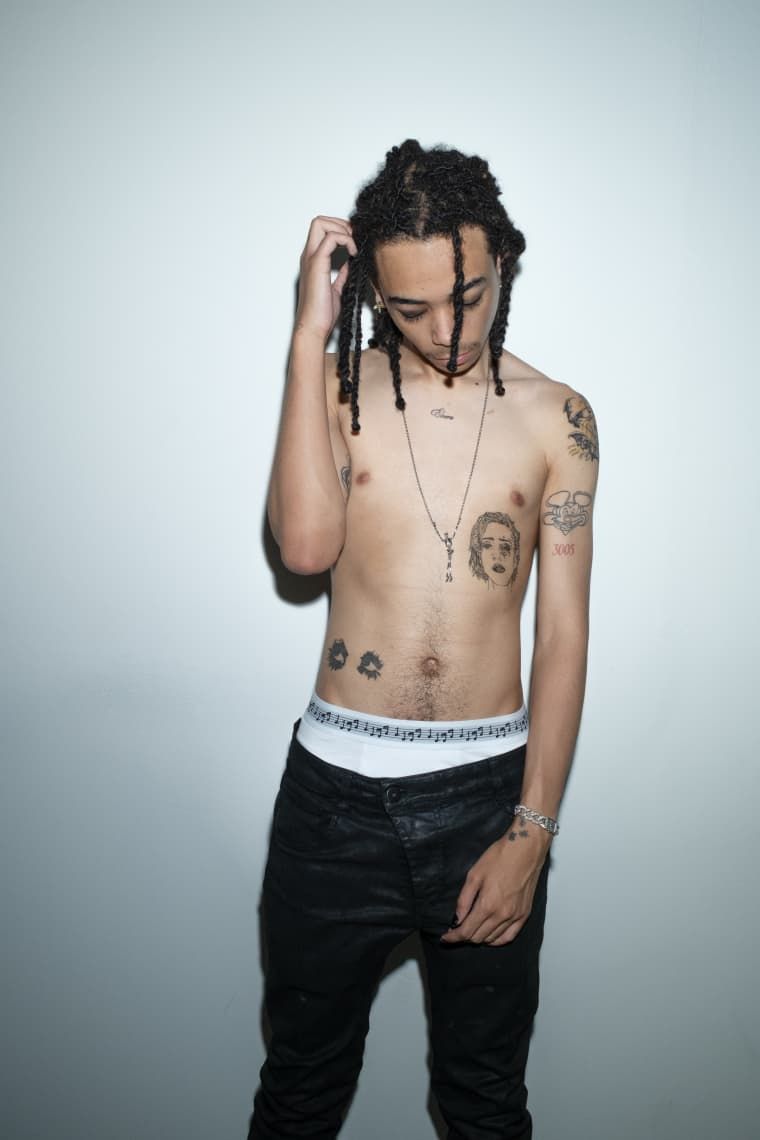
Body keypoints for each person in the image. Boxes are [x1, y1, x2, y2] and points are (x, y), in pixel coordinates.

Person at [250, 139, 599, 1139]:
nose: (448, 333)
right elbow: (304, 550)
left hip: (486, 801)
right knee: (300, 1097)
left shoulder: (559, 420)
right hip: (334, 805)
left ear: (503, 263)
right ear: (373, 293)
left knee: (485, 1104)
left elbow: (563, 634)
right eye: (410, 311)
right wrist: (308, 336)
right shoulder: (338, 390)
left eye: (470, 296)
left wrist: (532, 831)